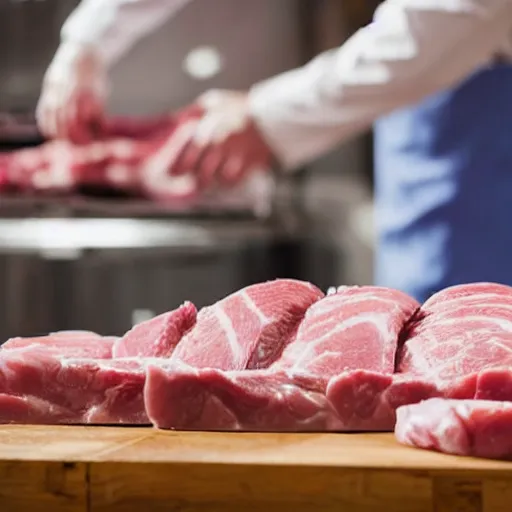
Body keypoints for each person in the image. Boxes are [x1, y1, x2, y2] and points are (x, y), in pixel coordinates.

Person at [36, 0, 512, 303]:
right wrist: (90, 39)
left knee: (477, 351)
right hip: (443, 110)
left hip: (484, 101)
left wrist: (267, 117)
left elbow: (459, 16)